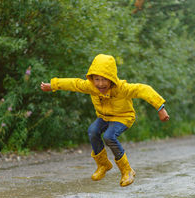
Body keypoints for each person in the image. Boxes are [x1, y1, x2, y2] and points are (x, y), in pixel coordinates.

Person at [41, 54, 169, 187]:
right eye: (97, 79)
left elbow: (144, 90)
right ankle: (103, 164)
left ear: (112, 80)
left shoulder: (122, 89)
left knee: (109, 136)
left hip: (123, 117)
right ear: (92, 79)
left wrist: (160, 108)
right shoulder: (91, 86)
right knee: (92, 131)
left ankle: (127, 170)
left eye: (104, 80)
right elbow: (74, 84)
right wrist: (53, 85)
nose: (100, 84)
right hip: (104, 117)